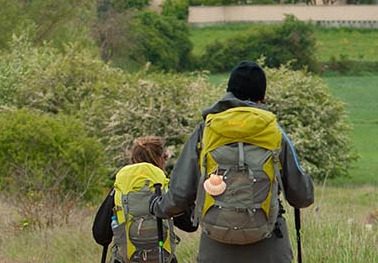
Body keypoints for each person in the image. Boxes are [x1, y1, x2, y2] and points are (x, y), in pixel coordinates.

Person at [149, 61, 314, 262]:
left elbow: (179, 194)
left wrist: (158, 207)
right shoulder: (275, 132)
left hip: (215, 248)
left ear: (228, 92)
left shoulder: (205, 130)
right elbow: (302, 197)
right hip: (269, 247)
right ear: (262, 97)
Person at [105, 136, 195, 263]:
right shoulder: (166, 188)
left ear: (132, 159)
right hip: (162, 259)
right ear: (161, 159)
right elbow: (190, 225)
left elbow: (100, 235)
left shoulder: (120, 189)